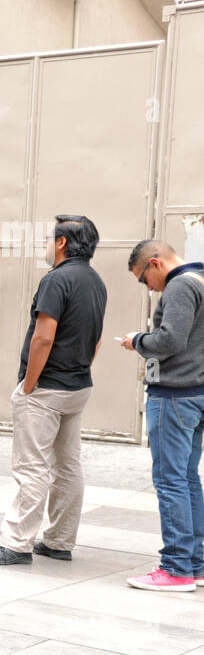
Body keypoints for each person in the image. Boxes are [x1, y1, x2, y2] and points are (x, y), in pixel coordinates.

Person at [0, 216, 107, 566]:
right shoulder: (96, 281)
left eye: (51, 238)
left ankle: (16, 544)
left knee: (32, 467)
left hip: (46, 389)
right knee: (68, 465)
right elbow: (96, 338)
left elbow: (44, 336)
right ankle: (59, 541)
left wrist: (29, 384)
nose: (47, 244)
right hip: (78, 387)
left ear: (63, 243)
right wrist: (80, 370)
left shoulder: (56, 280)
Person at [121, 240, 204, 592]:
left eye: (143, 279)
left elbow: (171, 341)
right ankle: (195, 564)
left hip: (175, 394)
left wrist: (137, 340)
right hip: (195, 391)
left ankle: (175, 569)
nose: (148, 287)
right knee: (186, 479)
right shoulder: (200, 279)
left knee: (171, 480)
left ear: (154, 263)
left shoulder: (181, 286)